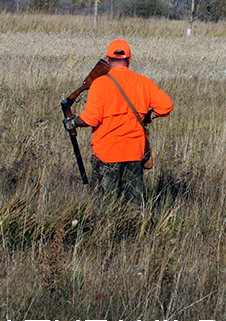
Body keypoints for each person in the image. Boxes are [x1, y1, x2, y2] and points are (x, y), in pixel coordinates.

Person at [63, 39, 172, 204]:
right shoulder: (143, 82)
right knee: (134, 207)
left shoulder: (100, 84)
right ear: (129, 60)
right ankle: (136, 230)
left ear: (107, 60)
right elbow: (166, 106)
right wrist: (148, 117)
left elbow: (90, 118)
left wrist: (73, 122)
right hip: (134, 153)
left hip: (107, 153)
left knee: (101, 206)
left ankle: (105, 230)